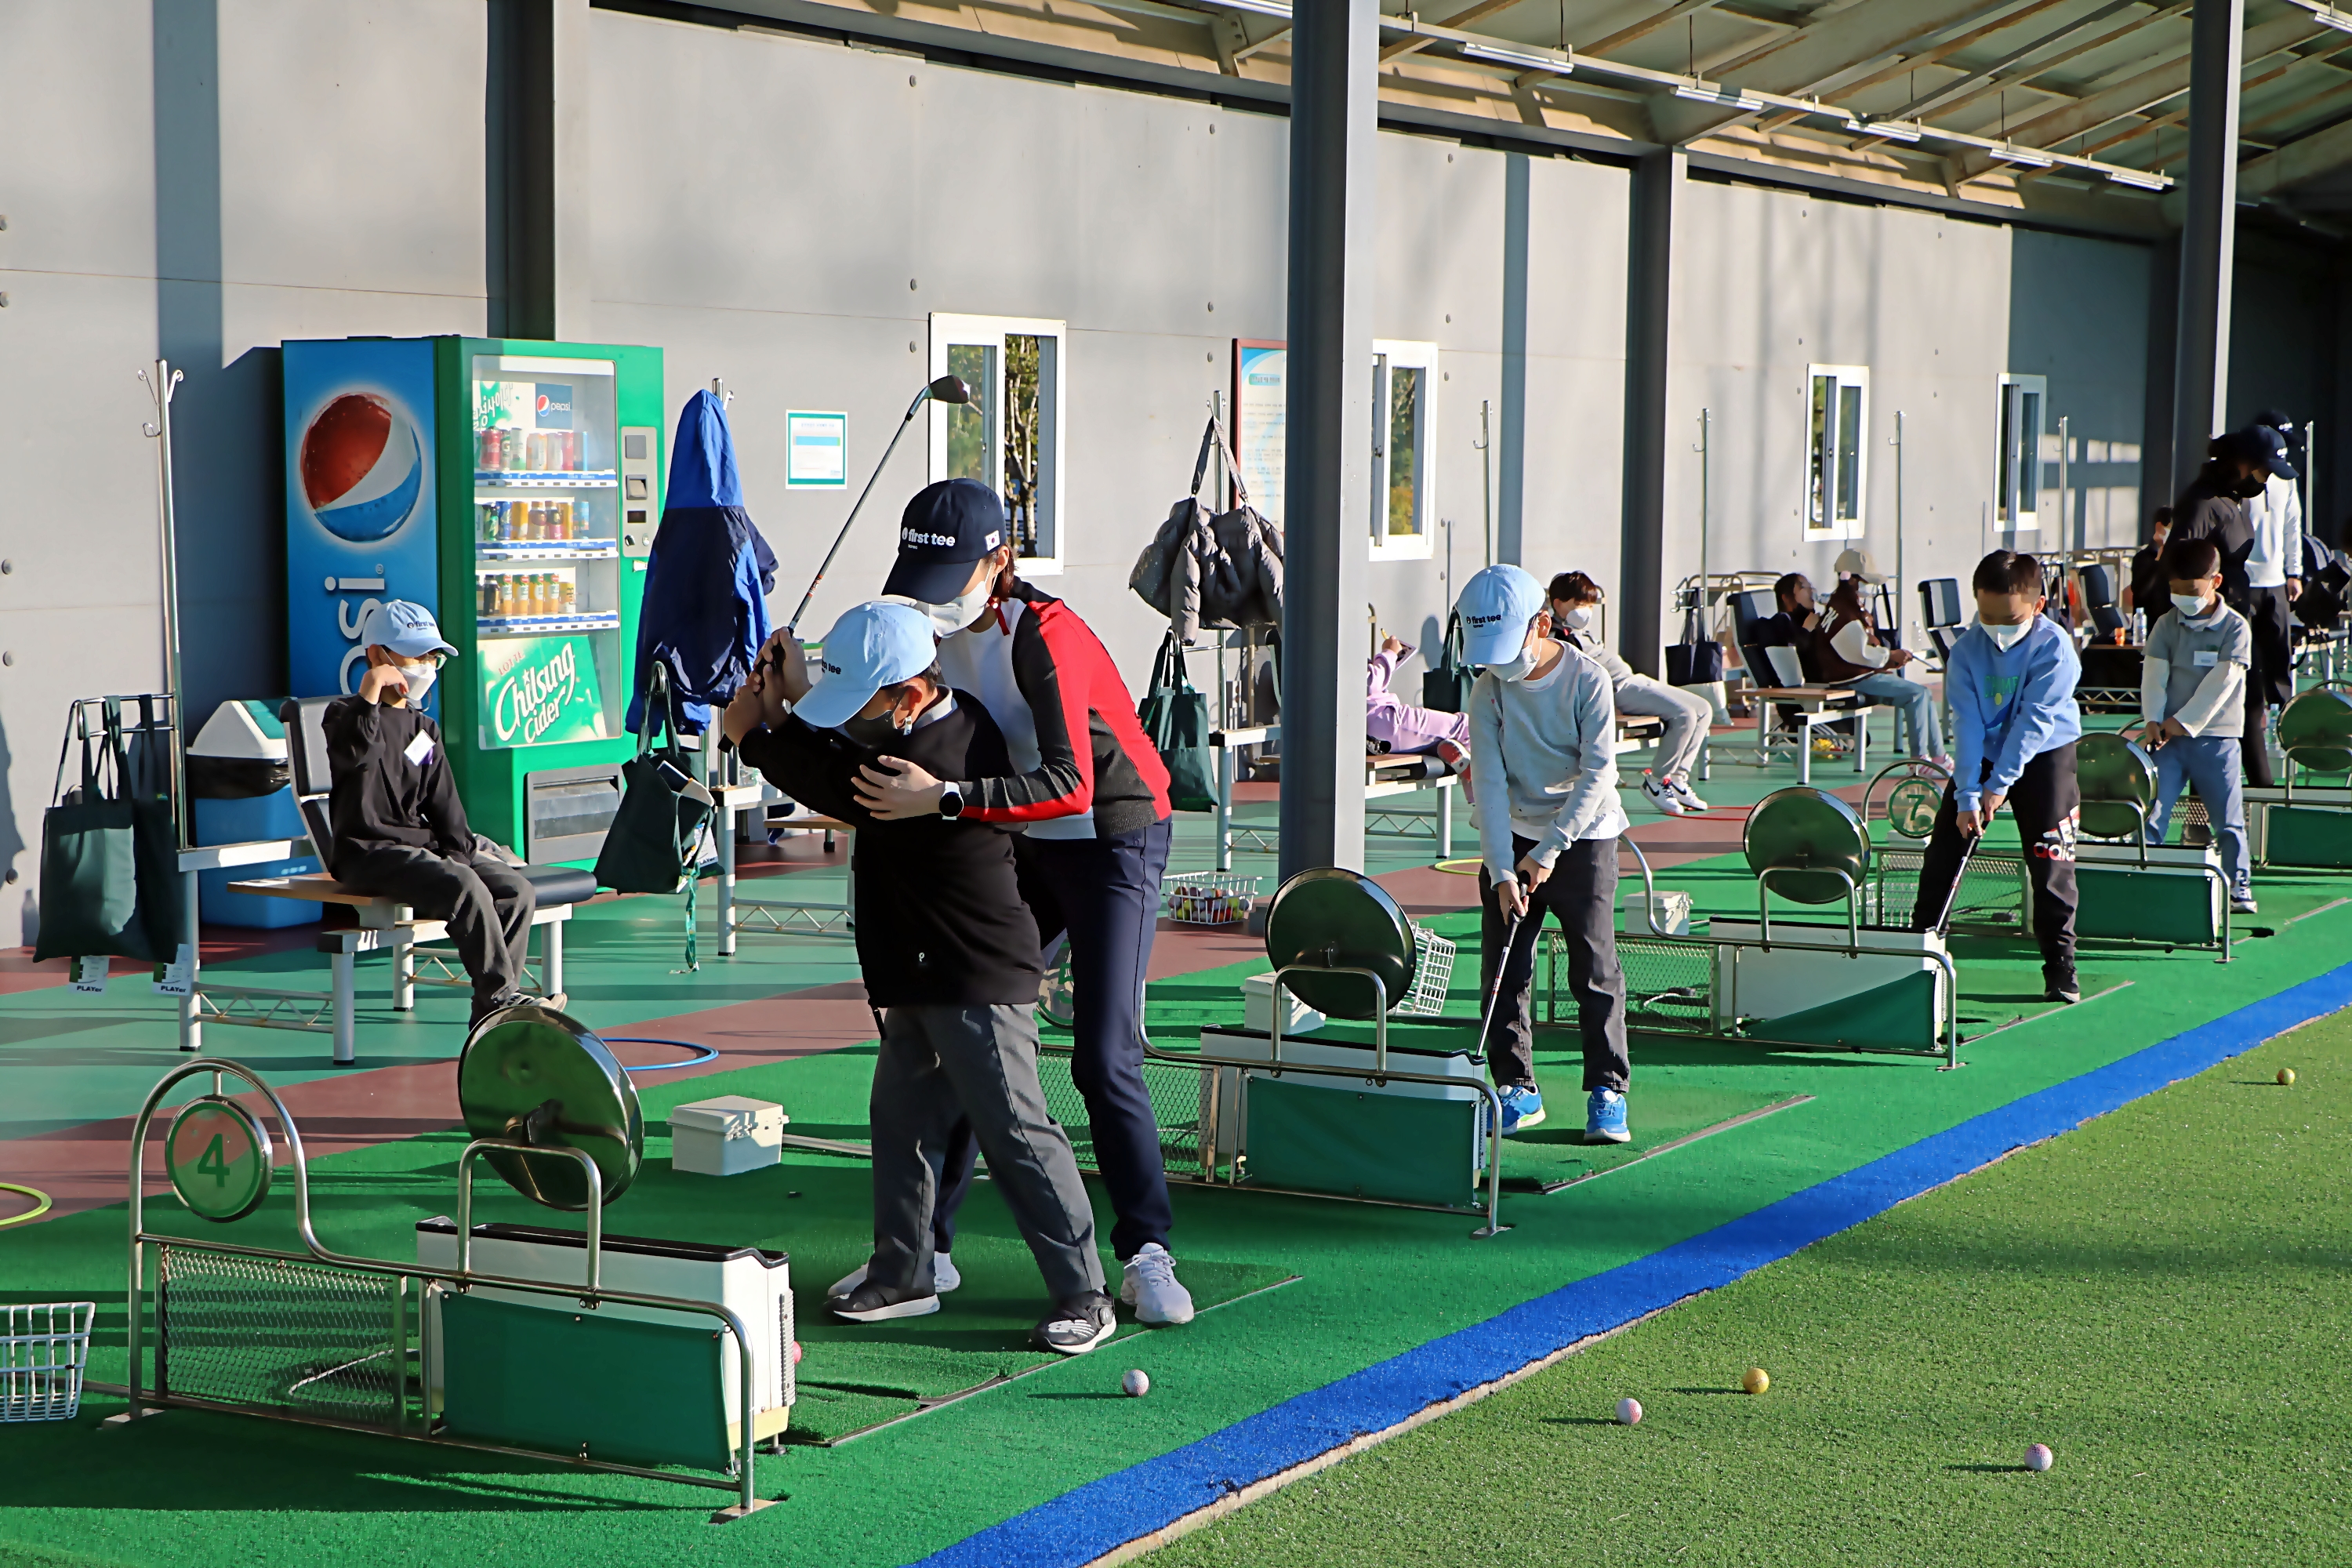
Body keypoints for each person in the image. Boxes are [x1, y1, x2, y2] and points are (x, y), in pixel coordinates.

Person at [841, 479, 1194, 1325]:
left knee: (1102, 1054)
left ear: (1000, 561)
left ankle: (1146, 1251)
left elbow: (1073, 785)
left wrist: (946, 799)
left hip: (1111, 835)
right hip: (1017, 831)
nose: (931, 601)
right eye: (921, 580)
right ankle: (929, 1251)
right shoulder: (922, 626)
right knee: (969, 1014)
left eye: (950, 578)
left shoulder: (1046, 632)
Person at [722, 599, 1116, 1356]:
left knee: (1016, 1132)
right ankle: (904, 1273)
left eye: (862, 700)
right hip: (917, 970)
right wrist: (784, 702)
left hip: (975, 974)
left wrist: (757, 735)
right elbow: (838, 746)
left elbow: (835, 779)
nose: (851, 717)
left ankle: (1084, 1292)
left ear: (908, 695)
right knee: (902, 1122)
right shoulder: (930, 717)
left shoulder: (934, 759)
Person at [1459, 564, 1632, 1144]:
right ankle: (1516, 1087)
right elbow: (1488, 783)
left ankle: (1608, 1089)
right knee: (1504, 968)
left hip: (1586, 834)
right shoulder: (1488, 689)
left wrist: (1550, 849)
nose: (1499, 663)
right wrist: (1500, 869)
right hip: (1513, 834)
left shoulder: (1588, 680)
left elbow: (1598, 775)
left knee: (1594, 968)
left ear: (1541, 623)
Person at [324, 601, 538, 1030]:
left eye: (432, 657)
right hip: (368, 852)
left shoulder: (423, 730)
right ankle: (502, 1000)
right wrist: (370, 690)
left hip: (417, 847)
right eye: (414, 655)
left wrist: (459, 855)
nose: (425, 666)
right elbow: (357, 755)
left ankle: (491, 1014)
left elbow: (444, 803)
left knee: (516, 890)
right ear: (377, 654)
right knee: (464, 885)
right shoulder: (345, 716)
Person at [1910, 551, 2084, 1004]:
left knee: (2050, 858)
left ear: (2038, 605)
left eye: (2009, 619)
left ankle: (2060, 967)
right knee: (1944, 851)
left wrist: (2000, 785)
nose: (1997, 629)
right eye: (1987, 617)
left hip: (2045, 753)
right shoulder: (1967, 650)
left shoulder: (2055, 648)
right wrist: (1969, 795)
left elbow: (2034, 721)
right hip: (1984, 753)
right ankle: (1917, 953)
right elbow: (1966, 723)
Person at [2137, 535, 2256, 914]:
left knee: (2228, 821)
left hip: (2217, 740)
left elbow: (2222, 683)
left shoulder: (2235, 628)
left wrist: (2182, 721)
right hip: (2166, 741)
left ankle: (2238, 888)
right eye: (2175, 590)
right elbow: (2154, 676)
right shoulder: (2165, 624)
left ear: (2215, 582)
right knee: (2152, 812)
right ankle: (2141, 880)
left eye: (2190, 591)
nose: (2181, 598)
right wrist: (2153, 719)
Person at [2172, 423, 2295, 786]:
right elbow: (2180, 567)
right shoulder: (2203, 503)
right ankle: (2215, 806)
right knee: (2214, 721)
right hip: (2210, 632)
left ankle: (2259, 797)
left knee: (2249, 709)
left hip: (2236, 622)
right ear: (2242, 462)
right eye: (2263, 471)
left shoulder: (2231, 498)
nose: (2265, 480)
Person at [1547, 572, 1711, 817]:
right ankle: (1658, 780)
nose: (1587, 611)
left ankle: (1678, 779)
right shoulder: (1556, 636)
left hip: (1633, 680)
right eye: (1580, 604)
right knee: (1684, 714)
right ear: (1558, 604)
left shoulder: (1579, 629)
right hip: (1617, 688)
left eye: (1590, 605)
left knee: (1703, 709)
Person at [1814, 566, 1949, 768]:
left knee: (1924, 695)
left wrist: (1885, 659)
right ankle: (1919, 760)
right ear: (1853, 581)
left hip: (1856, 675)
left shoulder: (1841, 606)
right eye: (1866, 582)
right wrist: (1889, 656)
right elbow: (1860, 654)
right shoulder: (1846, 613)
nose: (1869, 588)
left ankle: (1939, 757)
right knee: (1917, 694)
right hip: (1854, 679)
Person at [2246, 411, 2307, 760]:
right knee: (2246, 656)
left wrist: (2294, 571)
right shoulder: (2240, 479)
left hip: (2276, 582)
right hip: (2243, 583)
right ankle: (2251, 722)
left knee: (2279, 657)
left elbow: (2292, 525)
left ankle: (2284, 723)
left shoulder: (2285, 478)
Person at [1366, 633, 1471, 779]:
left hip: (1374, 725)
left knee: (1446, 745)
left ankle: (1474, 779)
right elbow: (1367, 683)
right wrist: (1389, 653)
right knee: (1465, 727)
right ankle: (1480, 784)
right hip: (1382, 720)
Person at [1753, 572, 1824, 682]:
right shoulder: (1779, 623)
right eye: (1804, 587)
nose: (1811, 591)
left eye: (1811, 587)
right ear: (1786, 597)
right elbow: (1796, 645)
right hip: (1810, 686)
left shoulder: (1808, 622)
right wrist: (1807, 629)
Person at [2125, 507, 2173, 618]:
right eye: (2173, 528)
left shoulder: (2176, 557)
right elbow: (2140, 593)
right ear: (2160, 527)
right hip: (2149, 623)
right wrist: (2158, 561)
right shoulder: (2143, 558)